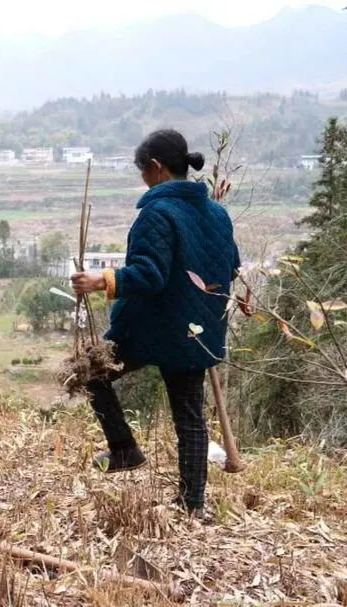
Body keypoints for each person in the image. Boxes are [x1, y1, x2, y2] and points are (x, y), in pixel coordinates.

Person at [70, 129, 240, 516]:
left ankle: (124, 449)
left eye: (143, 171)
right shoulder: (218, 213)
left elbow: (149, 275)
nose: (143, 178)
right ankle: (193, 503)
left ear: (155, 167)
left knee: (92, 373)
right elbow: (231, 265)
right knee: (190, 415)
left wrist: (103, 280)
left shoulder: (157, 214)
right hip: (196, 330)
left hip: (155, 328)